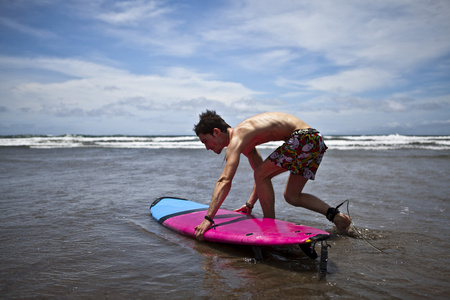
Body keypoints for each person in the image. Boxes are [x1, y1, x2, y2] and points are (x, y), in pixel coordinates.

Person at [193, 110, 351, 240]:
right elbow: (259, 174)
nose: (207, 147)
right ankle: (337, 217)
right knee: (292, 196)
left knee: (263, 175)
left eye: (205, 141)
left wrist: (208, 219)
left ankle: (270, 228)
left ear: (216, 132)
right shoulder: (245, 140)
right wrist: (249, 205)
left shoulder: (238, 138)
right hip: (314, 140)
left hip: (303, 138)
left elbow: (225, 180)